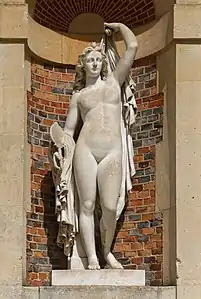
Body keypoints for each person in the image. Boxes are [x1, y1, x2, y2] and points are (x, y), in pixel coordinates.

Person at [50, 22, 138, 270]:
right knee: (86, 205)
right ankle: (91, 257)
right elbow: (69, 130)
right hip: (85, 150)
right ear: (83, 64)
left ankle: (106, 251)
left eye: (98, 59)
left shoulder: (113, 82)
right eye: (90, 60)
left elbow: (132, 46)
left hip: (112, 151)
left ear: (102, 62)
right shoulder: (79, 96)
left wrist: (120, 26)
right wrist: (62, 150)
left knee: (109, 207)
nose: (95, 63)